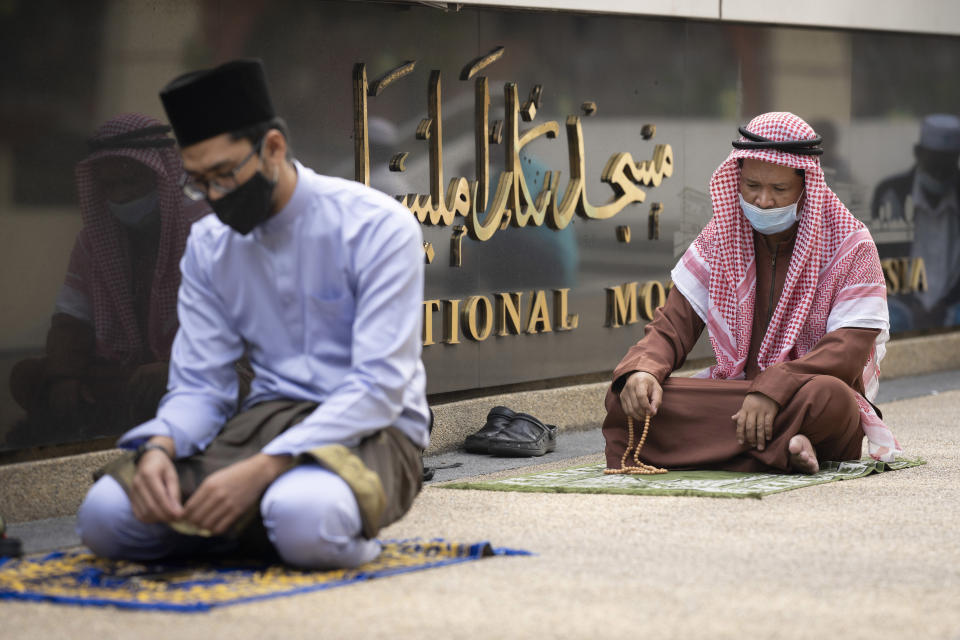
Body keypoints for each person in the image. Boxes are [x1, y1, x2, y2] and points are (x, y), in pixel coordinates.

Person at [76, 59, 430, 569]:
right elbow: (201, 386)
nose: (215, 197)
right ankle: (255, 531)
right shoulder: (209, 244)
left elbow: (379, 386)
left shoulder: (377, 226)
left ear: (273, 148)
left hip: (372, 428)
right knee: (106, 517)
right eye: (198, 183)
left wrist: (264, 469)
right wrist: (161, 445)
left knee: (302, 517)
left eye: (224, 174)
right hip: (262, 422)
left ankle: (273, 529)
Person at [602, 112, 901, 475]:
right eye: (751, 186)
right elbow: (671, 327)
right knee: (626, 397)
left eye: (779, 190)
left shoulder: (851, 246)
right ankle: (785, 449)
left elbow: (848, 351)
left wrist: (777, 386)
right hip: (736, 395)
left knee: (832, 399)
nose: (762, 201)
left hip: (801, 395)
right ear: (737, 180)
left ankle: (735, 446)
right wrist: (644, 369)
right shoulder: (720, 238)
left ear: (806, 185)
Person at [8, 114, 205, 444]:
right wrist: (64, 376)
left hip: (190, 369)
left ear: (160, 176)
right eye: (111, 186)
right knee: (28, 377)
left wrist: (175, 366)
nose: (122, 195)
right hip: (127, 373)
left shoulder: (205, 230)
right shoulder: (94, 240)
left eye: (131, 182)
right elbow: (72, 318)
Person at [870, 113, 960, 330]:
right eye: (934, 163)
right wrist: (914, 304)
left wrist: (945, 303)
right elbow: (881, 255)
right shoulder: (892, 193)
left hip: (952, 303)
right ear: (919, 154)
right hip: (902, 303)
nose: (939, 173)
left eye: (946, 165)